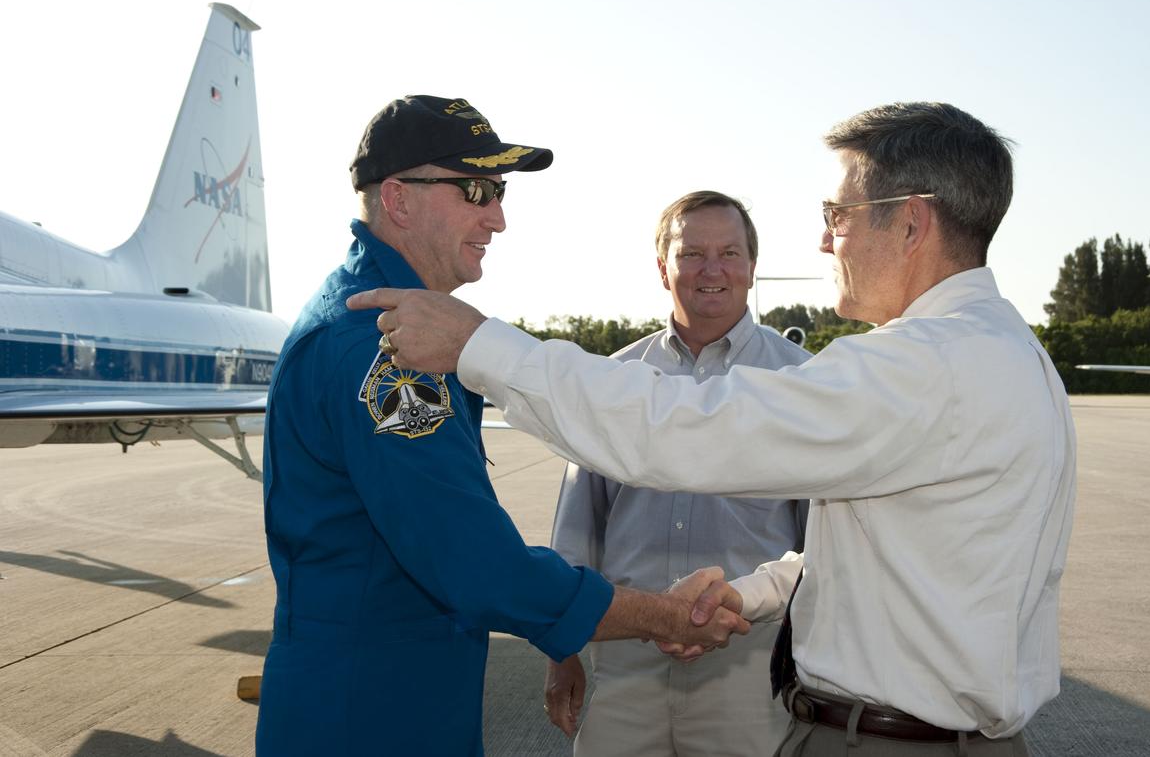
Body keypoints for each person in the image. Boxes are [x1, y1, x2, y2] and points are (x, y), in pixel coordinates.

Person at [349, 101, 1077, 756]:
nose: (827, 242)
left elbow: (693, 429)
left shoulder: (928, 365)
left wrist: (481, 345)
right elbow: (892, 557)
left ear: (912, 221)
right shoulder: (1000, 351)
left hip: (893, 742)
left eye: (838, 213)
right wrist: (754, 592)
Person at [255, 95, 750, 757]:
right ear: (400, 199)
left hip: (398, 703)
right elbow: (478, 565)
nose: (499, 217)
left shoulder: (405, 325)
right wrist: (660, 612)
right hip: (367, 716)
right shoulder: (378, 343)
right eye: (477, 190)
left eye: (500, 191)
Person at [545, 191, 810, 754]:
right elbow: (577, 531)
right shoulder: (614, 381)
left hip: (748, 662)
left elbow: (825, 546)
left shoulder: (805, 384)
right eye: (692, 254)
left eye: (729, 253)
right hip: (628, 658)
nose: (711, 270)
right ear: (663, 267)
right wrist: (560, 651)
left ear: (751, 267)